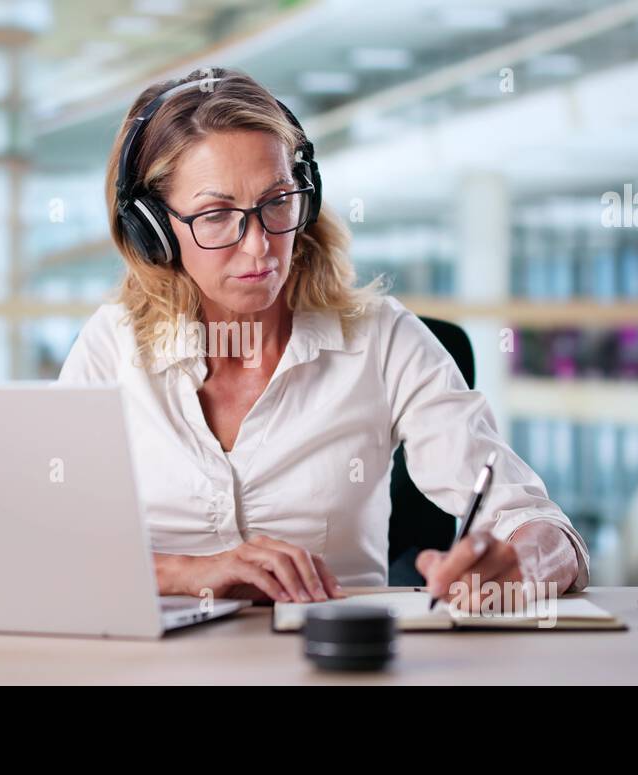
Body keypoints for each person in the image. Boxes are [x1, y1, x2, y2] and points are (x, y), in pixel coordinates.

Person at [57, 67, 588, 609]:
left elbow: (539, 523)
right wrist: (189, 572)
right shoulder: (113, 347)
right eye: (217, 215)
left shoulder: (381, 339)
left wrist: (521, 561)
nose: (260, 246)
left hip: (337, 657)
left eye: (277, 201)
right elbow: (45, 544)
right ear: (155, 227)